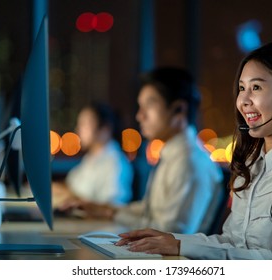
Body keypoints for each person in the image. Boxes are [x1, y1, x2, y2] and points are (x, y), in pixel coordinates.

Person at [115, 42, 272, 259]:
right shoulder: (254, 163)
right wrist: (173, 241)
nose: (243, 100)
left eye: (256, 87)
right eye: (242, 88)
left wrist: (180, 245)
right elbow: (232, 242)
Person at [59, 67, 225, 234]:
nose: (140, 115)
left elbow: (171, 233)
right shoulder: (173, 155)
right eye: (140, 106)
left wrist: (110, 213)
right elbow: (149, 210)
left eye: (149, 105)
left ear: (179, 110)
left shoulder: (189, 161)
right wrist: (104, 210)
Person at [52, 102, 133, 207]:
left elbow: (114, 207)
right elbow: (73, 186)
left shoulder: (116, 163)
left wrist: (69, 195)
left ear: (105, 129)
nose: (78, 129)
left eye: (84, 124)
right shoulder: (91, 158)